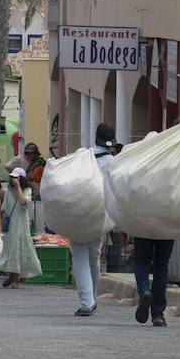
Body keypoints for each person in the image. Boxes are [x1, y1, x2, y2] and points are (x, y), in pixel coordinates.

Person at [73, 123, 117, 317]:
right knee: (94, 255)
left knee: (80, 255)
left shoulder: (84, 156)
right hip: (101, 215)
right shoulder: (113, 161)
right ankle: (93, 298)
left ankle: (87, 302)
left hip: (81, 212)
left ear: (95, 137)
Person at [0, 168, 42, 287]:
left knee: (18, 248)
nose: (13, 180)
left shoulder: (27, 190)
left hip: (21, 224)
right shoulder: (8, 191)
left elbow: (23, 202)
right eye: (12, 177)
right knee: (10, 249)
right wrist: (2, 224)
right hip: (11, 224)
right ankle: (12, 276)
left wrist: (18, 188)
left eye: (16, 177)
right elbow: (4, 208)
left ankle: (15, 278)